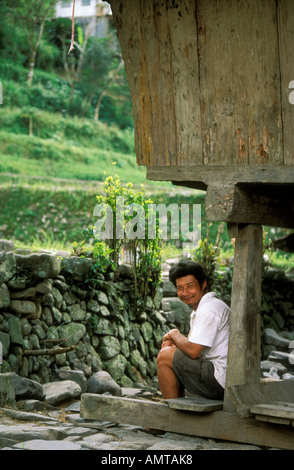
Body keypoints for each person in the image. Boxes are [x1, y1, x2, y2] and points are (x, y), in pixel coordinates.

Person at [156, 260, 230, 400]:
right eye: (180, 288)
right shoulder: (206, 307)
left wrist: (174, 334)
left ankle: (173, 414)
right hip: (222, 378)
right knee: (170, 351)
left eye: (190, 286)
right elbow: (194, 347)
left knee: (164, 357)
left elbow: (194, 351)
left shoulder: (209, 308)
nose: (185, 293)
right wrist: (175, 344)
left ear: (203, 284)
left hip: (221, 381)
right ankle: (177, 408)